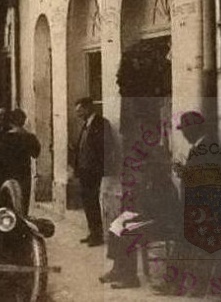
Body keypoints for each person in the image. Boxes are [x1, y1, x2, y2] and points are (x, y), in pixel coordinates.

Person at [101, 155, 178, 289]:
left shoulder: (164, 186)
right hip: (151, 221)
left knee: (127, 234)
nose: (144, 172)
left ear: (157, 169)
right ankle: (117, 269)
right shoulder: (150, 183)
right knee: (115, 227)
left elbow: (156, 213)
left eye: (148, 168)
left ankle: (130, 278)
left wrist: (135, 219)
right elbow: (142, 206)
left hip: (163, 225)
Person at [74, 97, 111, 246]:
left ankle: (97, 235)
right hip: (84, 169)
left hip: (93, 170)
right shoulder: (86, 124)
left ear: (87, 108)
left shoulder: (101, 123)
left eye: (80, 110)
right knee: (87, 202)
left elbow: (104, 147)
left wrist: (98, 166)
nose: (77, 114)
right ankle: (92, 232)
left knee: (93, 201)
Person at [6, 109, 41, 214]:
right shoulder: (30, 137)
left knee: (9, 200)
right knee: (23, 200)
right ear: (24, 121)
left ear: (11, 122)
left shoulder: (6, 137)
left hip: (8, 173)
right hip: (24, 172)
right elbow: (35, 154)